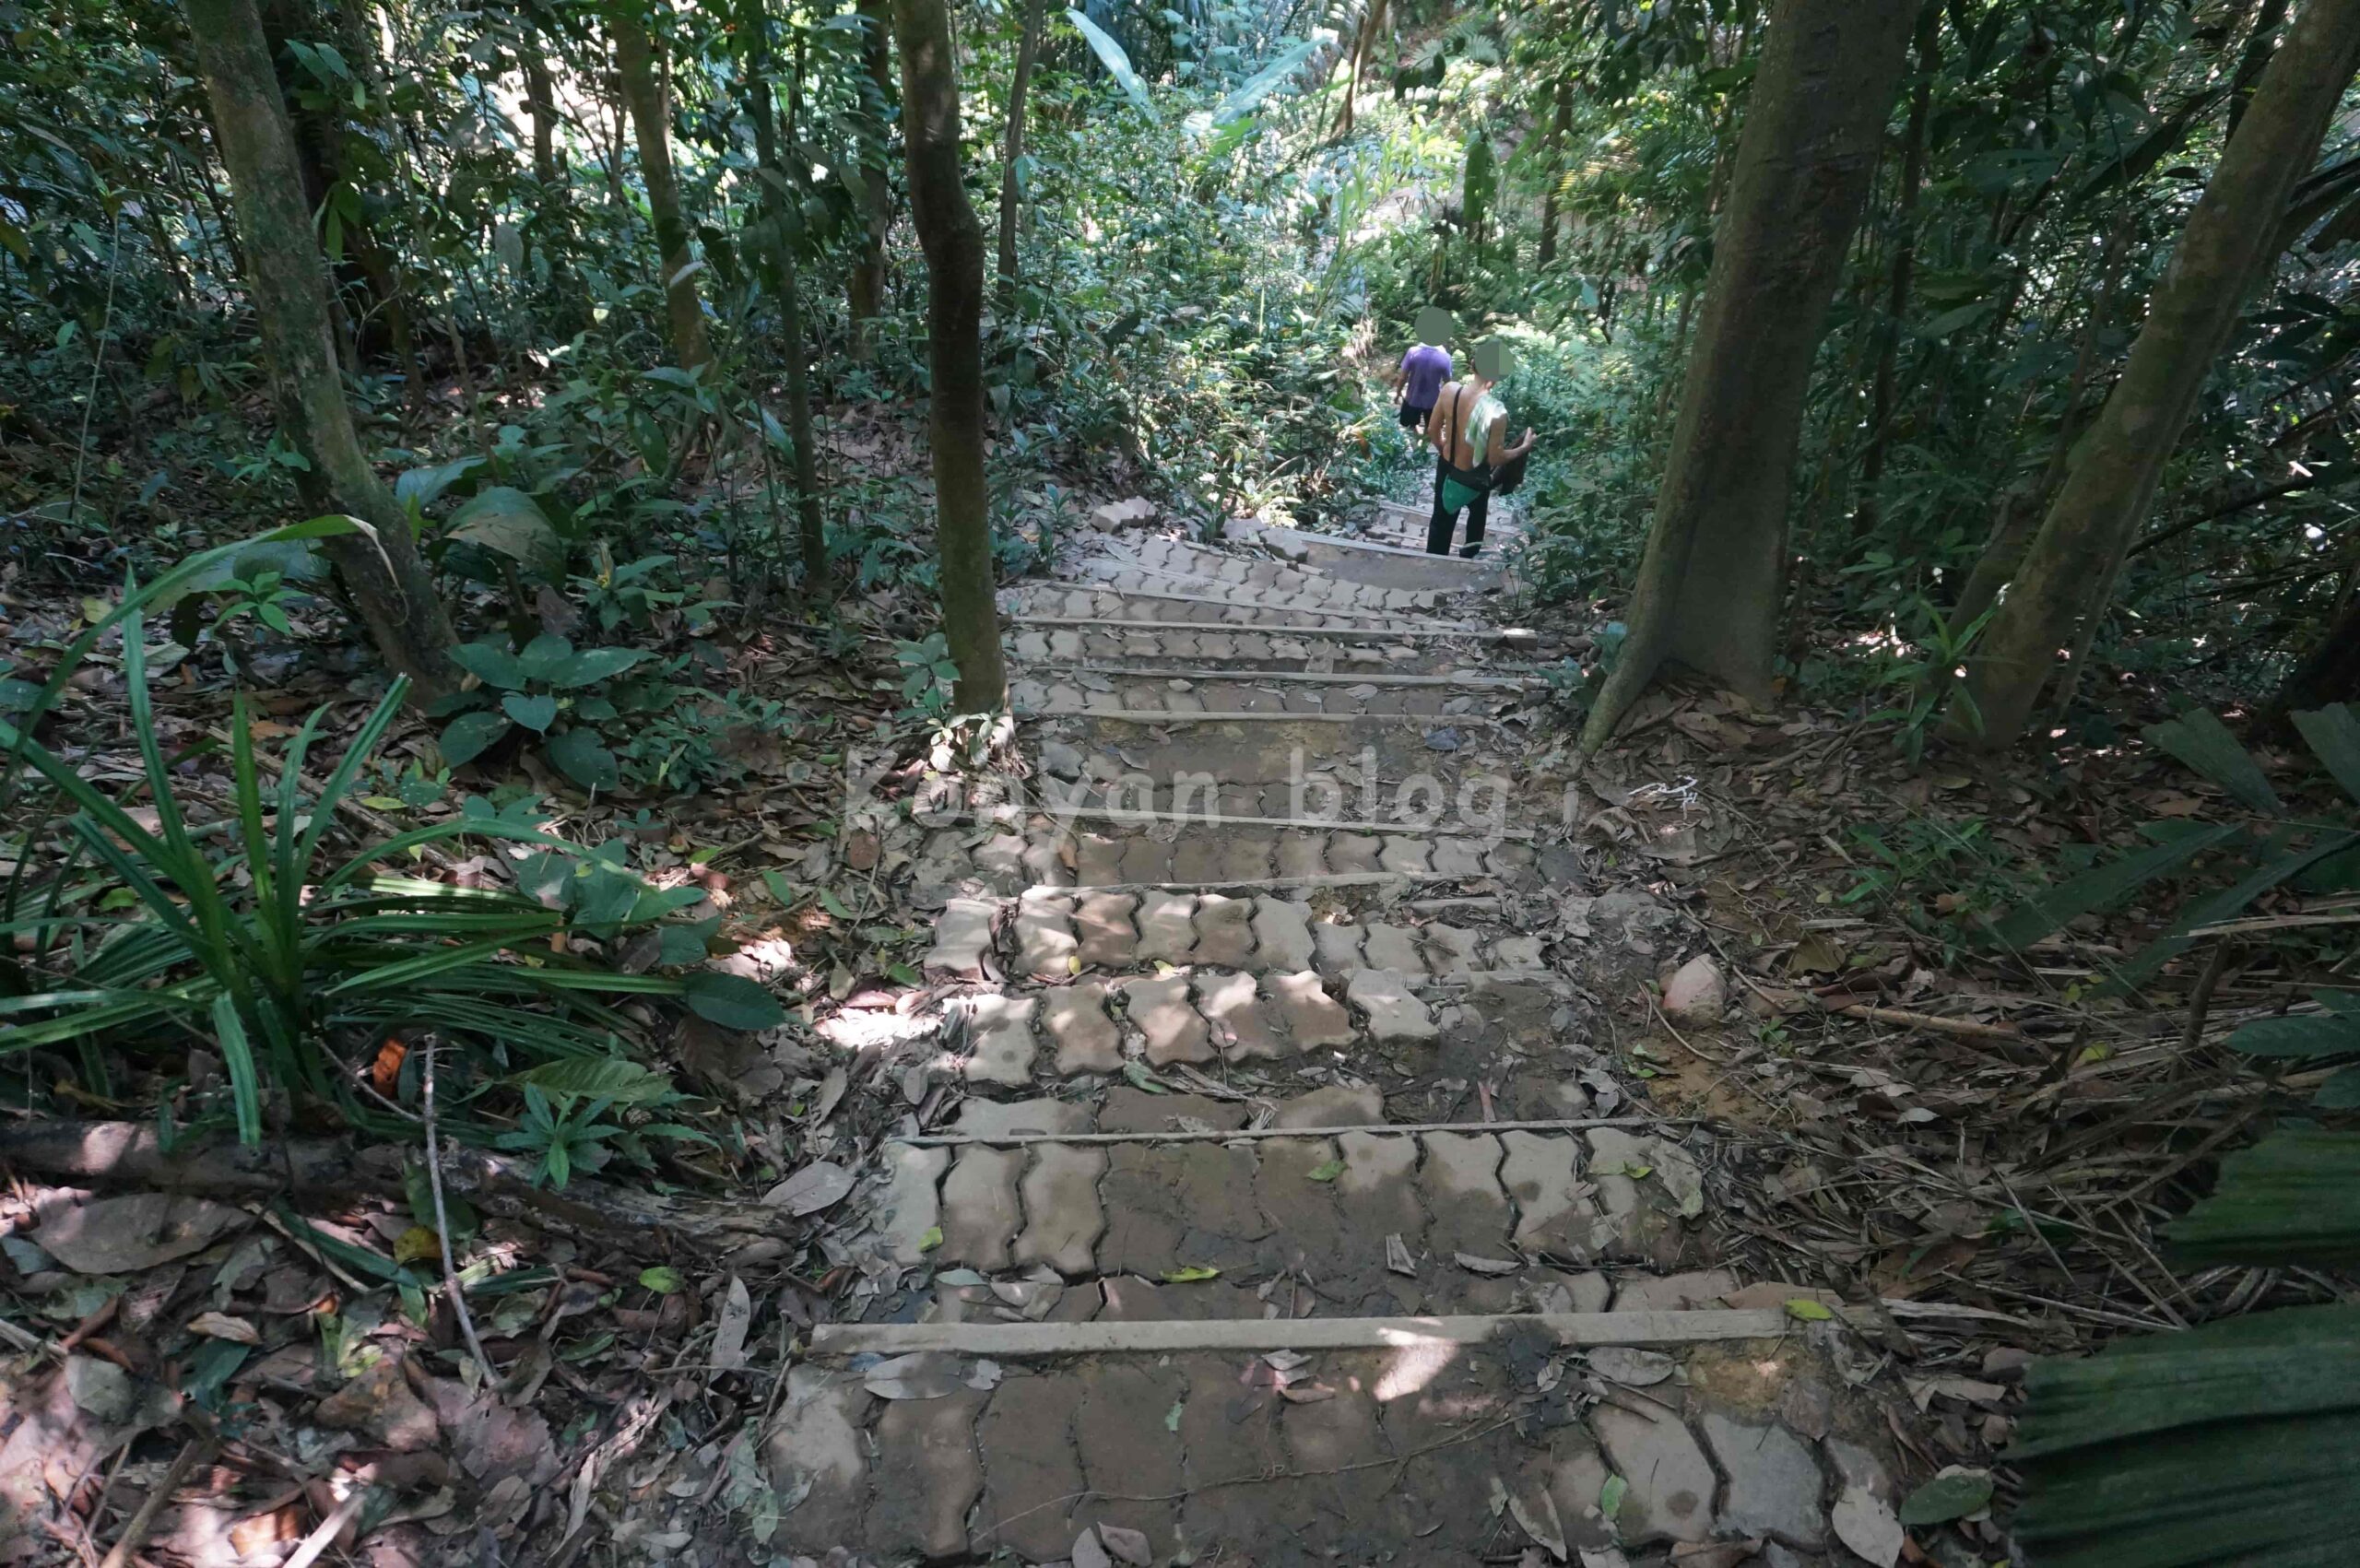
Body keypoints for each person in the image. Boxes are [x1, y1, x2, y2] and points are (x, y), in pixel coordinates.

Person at [1425, 339, 1533, 559]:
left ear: (1472, 364)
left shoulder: (1449, 391)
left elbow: (1432, 429)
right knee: (1476, 522)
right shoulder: (1496, 412)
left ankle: (1433, 563)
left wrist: (1445, 450)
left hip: (1447, 468)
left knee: (1441, 522)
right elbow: (1495, 458)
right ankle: (1468, 560)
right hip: (1475, 476)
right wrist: (1524, 447)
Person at [1394, 306, 1455, 433]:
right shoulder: (1445, 358)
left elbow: (1403, 377)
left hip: (1412, 398)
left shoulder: (1413, 352)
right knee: (1431, 429)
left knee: (1411, 427)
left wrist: (1398, 393)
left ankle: (1416, 444)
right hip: (1433, 402)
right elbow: (1448, 384)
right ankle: (1426, 445)